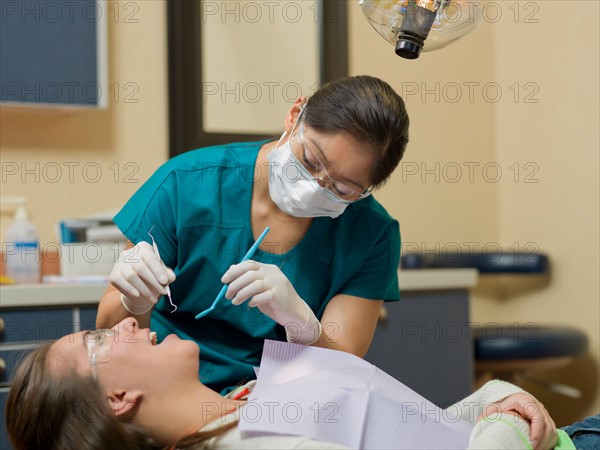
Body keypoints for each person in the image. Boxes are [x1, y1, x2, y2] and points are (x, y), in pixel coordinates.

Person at [98, 75, 410, 394]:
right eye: (310, 161)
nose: (313, 187)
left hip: (280, 405)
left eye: (342, 188)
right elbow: (110, 333)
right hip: (167, 389)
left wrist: (304, 328)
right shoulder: (185, 184)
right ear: (295, 115)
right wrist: (133, 302)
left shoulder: (372, 235)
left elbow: (343, 372)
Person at [6, 317, 597, 450]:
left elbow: (420, 433)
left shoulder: (238, 405)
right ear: (116, 399)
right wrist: (501, 415)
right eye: (100, 342)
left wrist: (491, 399)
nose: (126, 322)